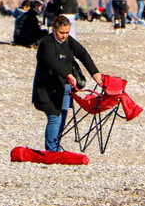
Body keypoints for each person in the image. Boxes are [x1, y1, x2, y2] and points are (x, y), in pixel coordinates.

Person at [32, 16, 102, 152]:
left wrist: (95, 73)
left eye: (67, 33)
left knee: (62, 117)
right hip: (47, 89)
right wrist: (68, 74)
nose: (64, 36)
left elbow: (82, 53)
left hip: (64, 88)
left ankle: (56, 146)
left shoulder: (68, 41)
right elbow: (52, 61)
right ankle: (51, 150)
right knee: (55, 117)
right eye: (61, 33)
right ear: (54, 29)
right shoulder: (47, 42)